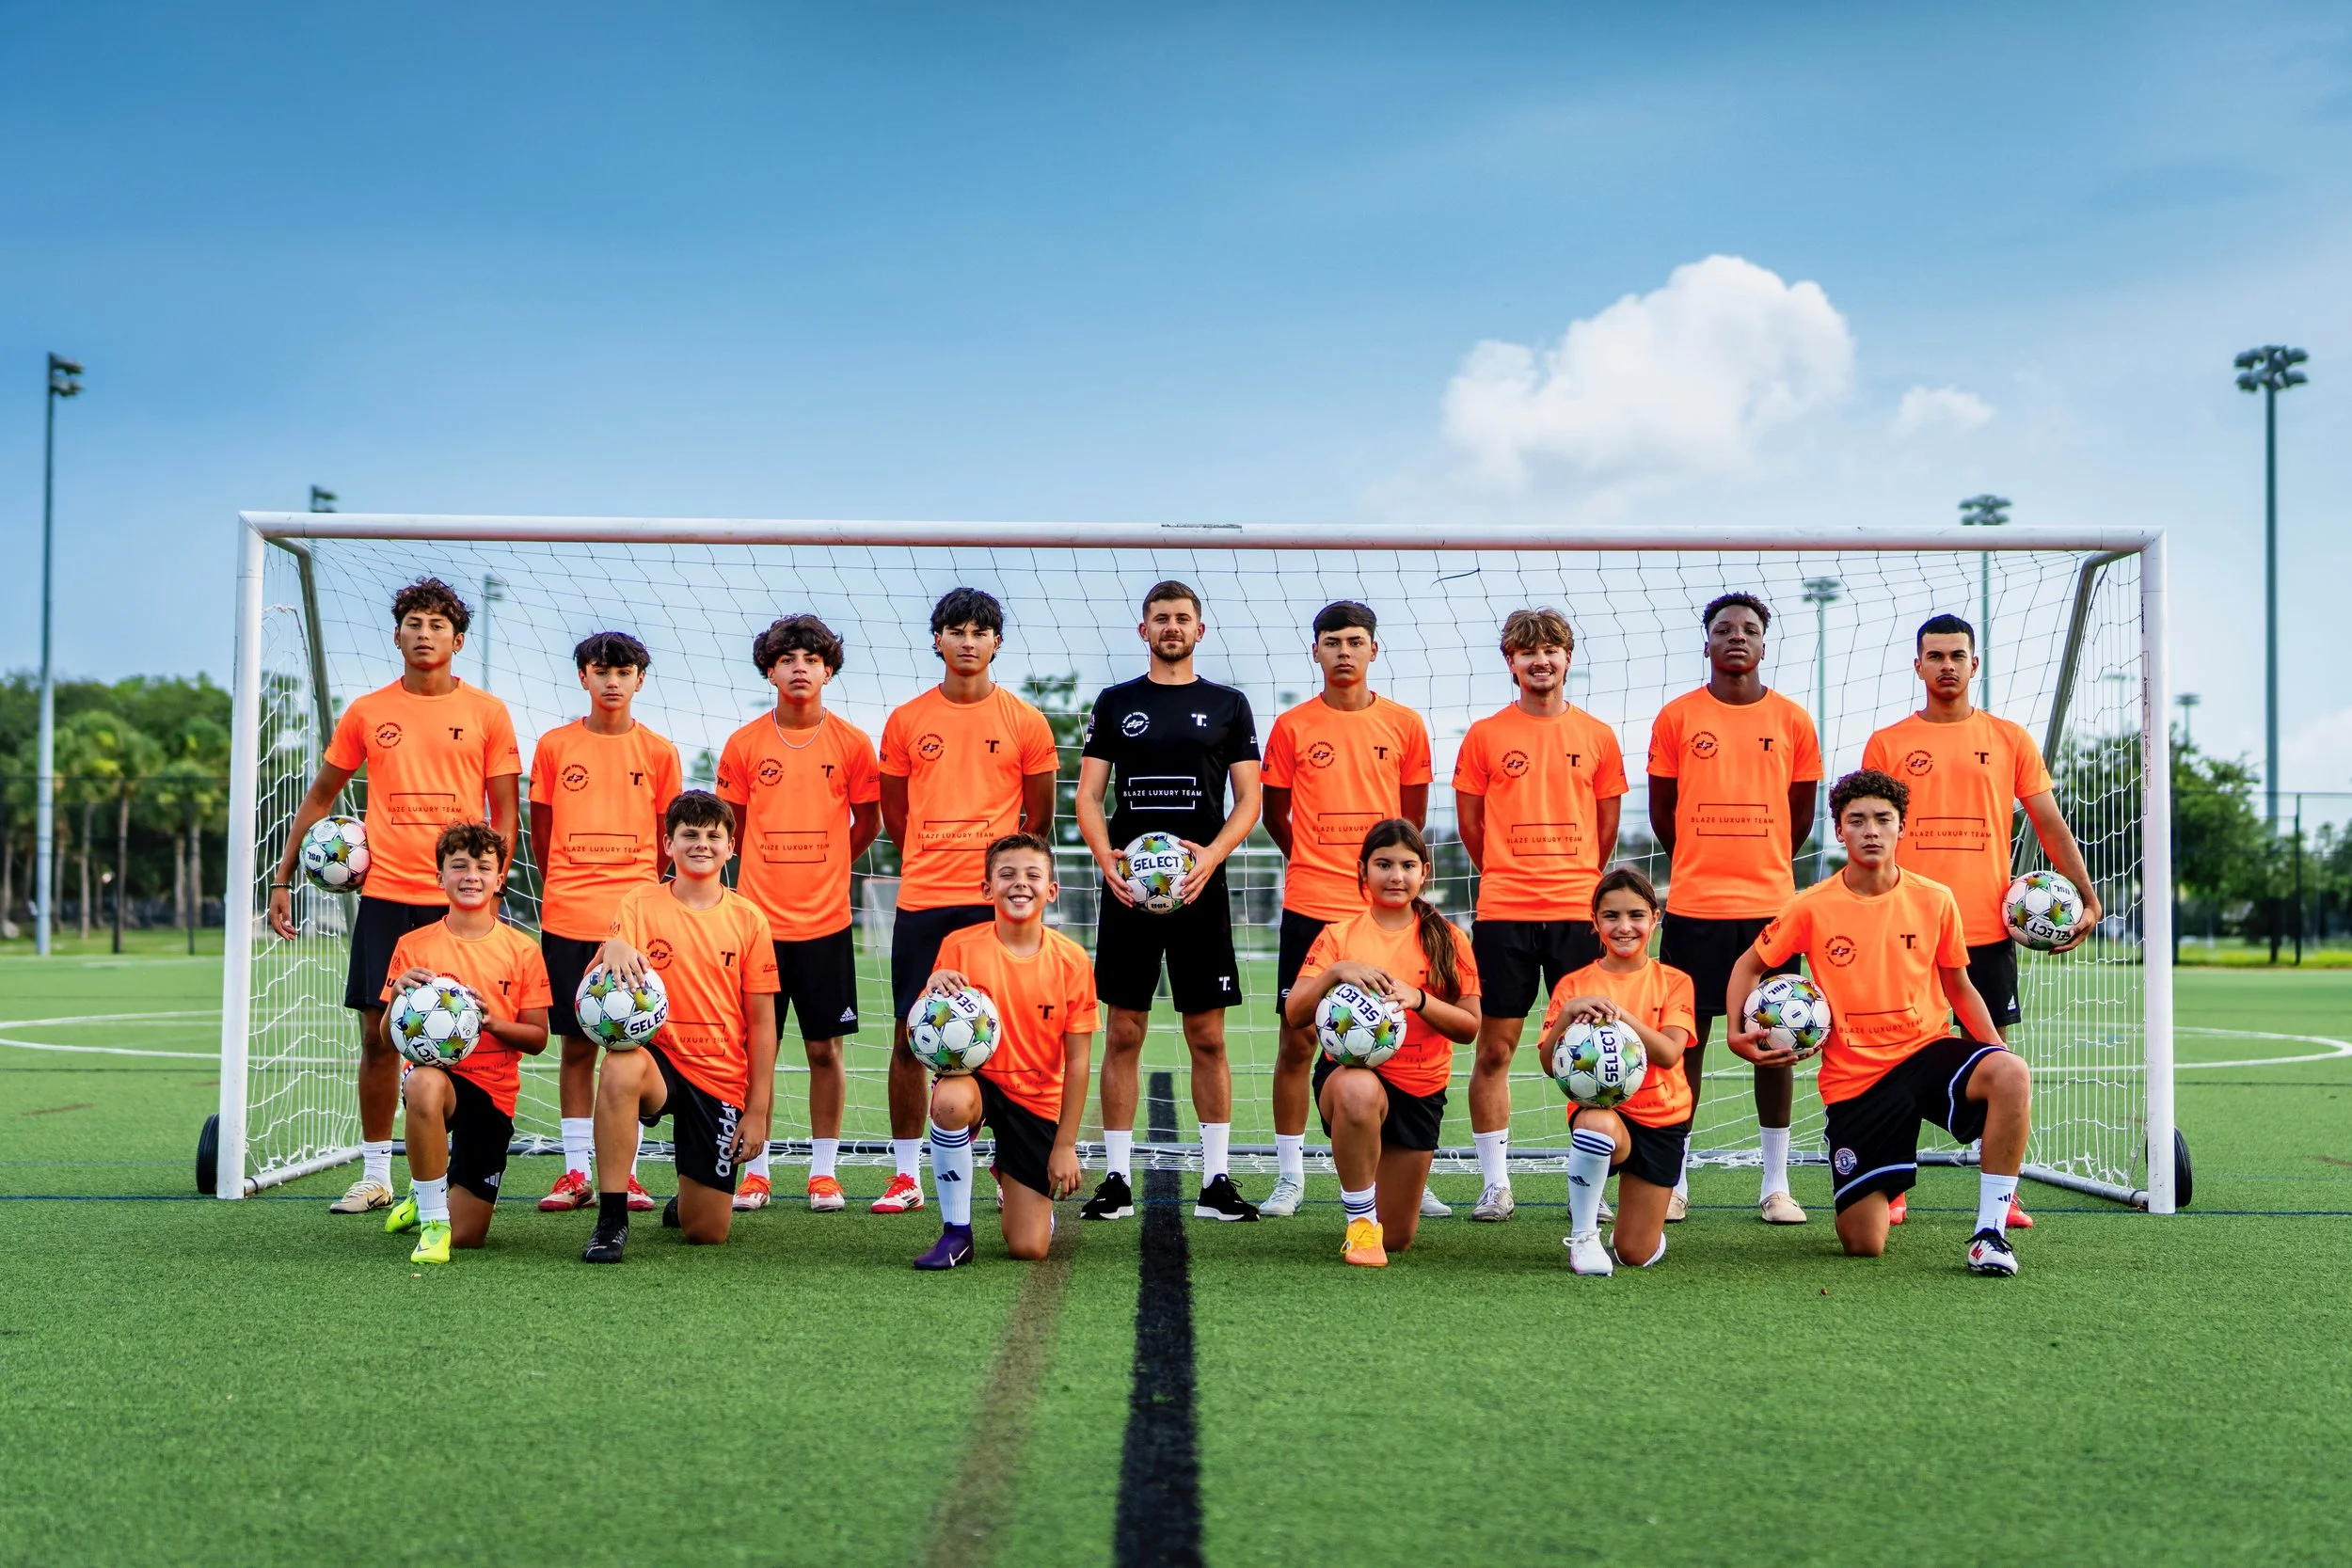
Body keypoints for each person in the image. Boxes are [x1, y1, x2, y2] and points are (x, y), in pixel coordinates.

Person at [266, 578, 520, 1216]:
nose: (424, 632)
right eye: (414, 621)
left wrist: (488, 887)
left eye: (437, 624)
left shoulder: (488, 712)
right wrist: (284, 871)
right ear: (398, 633)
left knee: (469, 1034)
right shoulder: (367, 711)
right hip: (384, 898)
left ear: (457, 639)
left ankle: (455, 1172)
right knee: (379, 1038)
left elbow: (506, 811)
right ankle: (377, 1173)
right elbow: (323, 795)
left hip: (458, 907)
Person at [1725, 769, 2028, 1275]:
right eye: (1857, 820)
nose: (1871, 830)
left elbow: (1959, 987)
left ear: (1902, 828)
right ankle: (1888, 1175)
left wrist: (1996, 1051)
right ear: (1839, 830)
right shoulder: (1811, 905)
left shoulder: (1935, 899)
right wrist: (1738, 1034)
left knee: (2012, 1073)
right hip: (1855, 1081)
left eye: (1883, 820)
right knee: (1863, 1243)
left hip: (1925, 1053)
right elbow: (1748, 966)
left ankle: (1989, 1234)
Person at [1861, 612, 2103, 1229]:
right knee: (1897, 1054)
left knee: (1996, 1055)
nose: (1946, 665)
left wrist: (2085, 893)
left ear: (1975, 664)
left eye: (1957, 655)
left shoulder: (2009, 738)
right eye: (1935, 654)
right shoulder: (1887, 743)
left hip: (1986, 930)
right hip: (1903, 928)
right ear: (1917, 665)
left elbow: (2047, 820)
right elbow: (1870, 830)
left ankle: (2003, 1191)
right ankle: (1891, 1185)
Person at [1075, 580, 1263, 1224]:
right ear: (1144, 630)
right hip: (1131, 891)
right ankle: (1118, 1177)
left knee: (1207, 1034)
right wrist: (1109, 863)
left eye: (1182, 618)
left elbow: (1249, 801)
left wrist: (1209, 858)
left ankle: (1216, 1179)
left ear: (1199, 631)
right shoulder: (1117, 702)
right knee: (1123, 1030)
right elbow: (1089, 796)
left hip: (1198, 891)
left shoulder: (1228, 704)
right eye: (1161, 618)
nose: (1172, 627)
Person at [877, 587, 1060, 1214]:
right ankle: (906, 1174)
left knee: (1004, 1037)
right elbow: (894, 812)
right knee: (910, 1033)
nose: (967, 641)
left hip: (995, 906)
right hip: (926, 898)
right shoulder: (906, 720)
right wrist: (933, 856)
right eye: (955, 630)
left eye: (979, 632)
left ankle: (1011, 1161)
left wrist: (1004, 879)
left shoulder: (1025, 721)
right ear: (937, 640)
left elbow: (1039, 814)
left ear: (996, 643)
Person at [1647, 592, 1820, 1226]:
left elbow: (1800, 816)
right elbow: (1663, 814)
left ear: (1764, 644)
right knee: (1686, 1042)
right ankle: (1675, 1179)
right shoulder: (1677, 717)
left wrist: (1764, 859)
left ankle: (1775, 1183)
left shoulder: (1795, 720)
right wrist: (1700, 859)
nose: (1737, 638)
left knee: (1776, 1039)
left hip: (1770, 910)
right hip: (1694, 907)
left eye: (1749, 629)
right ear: (1708, 644)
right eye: (1724, 629)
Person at [1261, 601, 1433, 1219]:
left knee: (1398, 1038)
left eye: (1355, 641)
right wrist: (1315, 858)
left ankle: (1403, 1167)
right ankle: (1288, 1173)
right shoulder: (1292, 727)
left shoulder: (1405, 725)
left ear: (1373, 651)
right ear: (1316, 652)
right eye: (1331, 641)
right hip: (1313, 902)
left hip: (1385, 915)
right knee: (1297, 1036)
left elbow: (1407, 820)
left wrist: (1380, 879)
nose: (1343, 651)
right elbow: (1275, 813)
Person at [1454, 608, 1627, 1223]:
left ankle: (1593, 1183)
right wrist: (1508, 869)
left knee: (1590, 1045)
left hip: (1577, 915)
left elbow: (1605, 828)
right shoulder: (1484, 735)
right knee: (1495, 1048)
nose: (1540, 661)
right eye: (1527, 653)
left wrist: (1573, 876)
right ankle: (1496, 1183)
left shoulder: (1599, 735)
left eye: (1551, 651)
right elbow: (1471, 825)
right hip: (1504, 912)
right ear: (1511, 662)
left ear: (1567, 658)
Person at [717, 614, 882, 1213]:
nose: (799, 669)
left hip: (825, 925)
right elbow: (726, 830)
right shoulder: (744, 745)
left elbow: (869, 822)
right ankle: (754, 1168)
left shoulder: (852, 744)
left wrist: (833, 863)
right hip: (756, 927)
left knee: (823, 1052)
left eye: (811, 659)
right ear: (770, 669)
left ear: (828, 669)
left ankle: (823, 1171)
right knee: (753, 1050)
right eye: (788, 659)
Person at [580, 792, 781, 1263]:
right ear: (667, 843)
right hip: (660, 1058)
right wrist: (611, 947)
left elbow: (763, 1024)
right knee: (618, 1066)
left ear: (732, 847)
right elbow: (601, 978)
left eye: (714, 836)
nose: (701, 844)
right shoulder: (638, 902)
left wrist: (757, 1112)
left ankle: (690, 1198)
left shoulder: (749, 919)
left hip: (719, 1075)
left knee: (706, 1232)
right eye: (689, 835)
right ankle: (612, 1219)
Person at [530, 631, 681, 1217]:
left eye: (624, 671)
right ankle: (574, 1171)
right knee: (574, 1046)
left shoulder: (660, 752)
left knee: (632, 1041)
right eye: (600, 670)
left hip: (637, 921)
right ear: (583, 678)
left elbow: (668, 839)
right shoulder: (555, 746)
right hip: (569, 913)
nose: (612, 680)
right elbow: (541, 833)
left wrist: (641, 898)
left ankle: (629, 1173)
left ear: (640, 680)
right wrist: (566, 883)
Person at [1284, 820, 1480, 1266]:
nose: (1396, 876)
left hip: (1419, 1088)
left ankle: (1380, 1223)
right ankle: (1360, 1224)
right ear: (1363, 871)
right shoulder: (1338, 936)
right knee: (1357, 1086)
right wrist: (1337, 972)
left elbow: (1470, 1028)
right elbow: (1296, 1014)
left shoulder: (1449, 939)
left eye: (1408, 865)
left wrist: (1421, 1000)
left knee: (1401, 1238)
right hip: (1350, 1081)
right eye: (1384, 865)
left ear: (1424, 872)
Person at [913, 833, 1100, 1269]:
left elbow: (1079, 1063)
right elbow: (929, 1030)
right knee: (950, 1100)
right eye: (1007, 874)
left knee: (1028, 1248)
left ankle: (1015, 1177)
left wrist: (1065, 1145)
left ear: (1051, 890)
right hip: (979, 1084)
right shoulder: (960, 946)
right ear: (987, 888)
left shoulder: (1072, 962)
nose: (1020, 884)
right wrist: (934, 986)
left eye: (1033, 875)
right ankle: (956, 1234)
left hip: (1036, 1100)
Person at [379, 822, 552, 1264]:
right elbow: (386, 1039)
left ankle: (425, 1193)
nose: (470, 875)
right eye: (458, 866)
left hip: (492, 1096)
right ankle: (433, 1220)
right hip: (440, 1083)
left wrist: (491, 1023)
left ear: (499, 879)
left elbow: (537, 1039)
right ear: (440, 878)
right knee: (422, 1081)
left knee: (470, 1236)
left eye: (482, 867)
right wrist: (397, 997)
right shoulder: (413, 946)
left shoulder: (522, 949)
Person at [1531, 868, 1692, 1276]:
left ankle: (1641, 1229)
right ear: (1595, 922)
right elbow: (1549, 1066)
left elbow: (1671, 1053)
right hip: (1605, 1117)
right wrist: (1568, 1013)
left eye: (1636, 915)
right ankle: (1584, 1236)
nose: (1624, 927)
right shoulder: (1574, 984)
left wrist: (1622, 1018)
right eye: (1611, 916)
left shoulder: (1674, 982)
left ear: (1655, 919)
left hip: (1661, 1117)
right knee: (1596, 1122)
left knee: (1635, 1253)